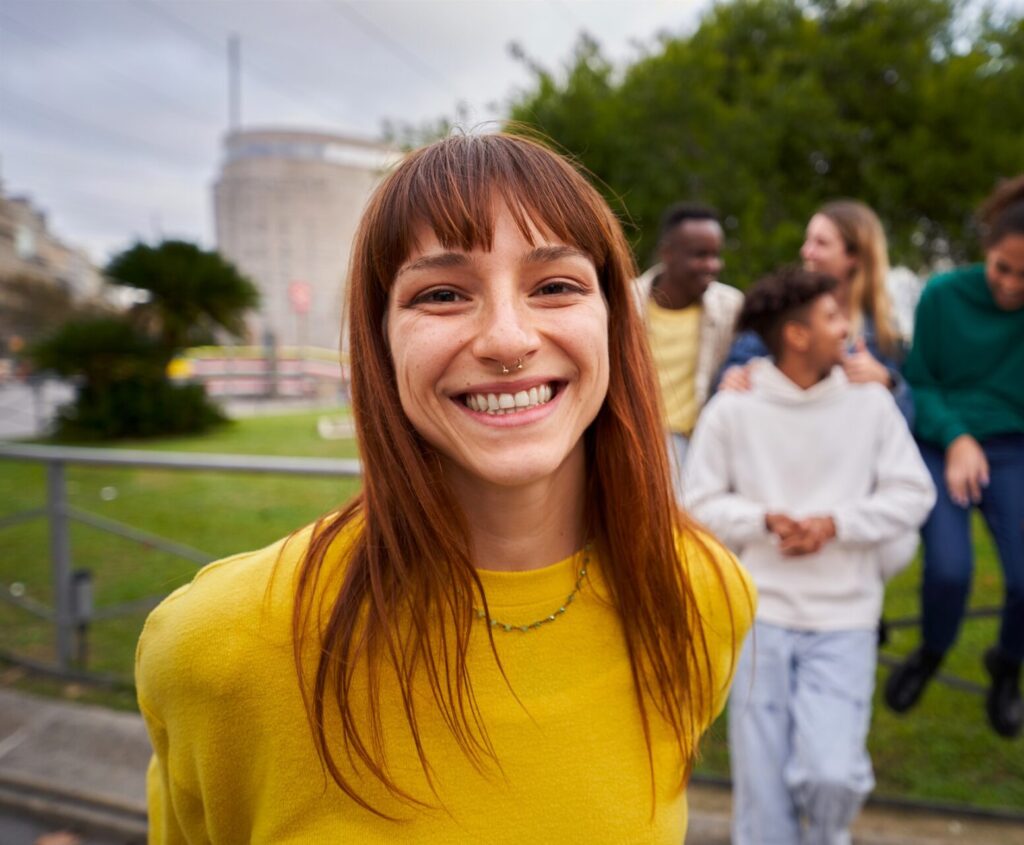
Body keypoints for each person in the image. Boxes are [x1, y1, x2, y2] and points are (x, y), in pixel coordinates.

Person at [135, 134, 755, 842]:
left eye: (554, 284)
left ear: (614, 320)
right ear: (381, 340)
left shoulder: (702, 594)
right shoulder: (216, 651)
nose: (507, 338)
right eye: (441, 293)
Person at [684, 267, 935, 845]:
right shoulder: (733, 409)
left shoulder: (870, 405)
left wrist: (835, 525)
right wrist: (764, 521)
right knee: (762, 796)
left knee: (831, 774)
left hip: (843, 619)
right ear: (796, 335)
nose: (847, 328)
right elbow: (695, 505)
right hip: (758, 617)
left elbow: (913, 494)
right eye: (832, 317)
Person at [884, 175, 1024, 739]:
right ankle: (932, 651)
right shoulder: (943, 295)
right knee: (948, 569)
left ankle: (1007, 665)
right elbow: (921, 383)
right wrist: (959, 437)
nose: (1011, 286)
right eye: (1002, 268)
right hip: (943, 443)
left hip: (1013, 450)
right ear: (987, 252)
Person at [717, 200, 913, 424]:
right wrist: (733, 378)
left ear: (855, 256)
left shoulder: (883, 332)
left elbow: (907, 423)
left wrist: (888, 383)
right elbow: (732, 374)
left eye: (821, 243)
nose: (806, 252)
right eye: (807, 240)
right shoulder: (783, 309)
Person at [633, 203, 743, 492]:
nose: (712, 265)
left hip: (696, 444)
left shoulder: (730, 308)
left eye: (715, 255)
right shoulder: (625, 302)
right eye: (700, 255)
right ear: (667, 254)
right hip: (635, 438)